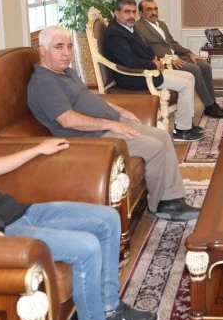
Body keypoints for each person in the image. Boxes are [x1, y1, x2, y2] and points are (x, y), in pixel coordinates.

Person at [0, 64, 158, 320]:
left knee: (107, 219)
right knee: (86, 246)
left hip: (11, 210)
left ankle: (110, 309)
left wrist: (36, 149)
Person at [28, 26, 200, 222]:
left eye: (69, 46)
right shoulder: (44, 82)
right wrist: (110, 124)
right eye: (59, 47)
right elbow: (68, 120)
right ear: (42, 50)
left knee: (162, 137)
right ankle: (160, 205)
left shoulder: (66, 72)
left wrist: (119, 110)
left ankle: (172, 198)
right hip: (92, 137)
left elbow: (88, 97)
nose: (66, 53)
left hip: (109, 124)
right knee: (154, 147)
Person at [104, 0, 203, 142]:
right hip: (134, 76)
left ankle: (185, 123)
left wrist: (155, 59)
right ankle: (182, 131)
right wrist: (153, 65)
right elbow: (130, 61)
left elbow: (145, 48)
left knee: (189, 76)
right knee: (185, 85)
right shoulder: (114, 34)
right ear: (116, 13)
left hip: (146, 70)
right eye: (127, 12)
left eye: (133, 12)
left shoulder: (128, 27)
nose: (131, 15)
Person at [134, 0, 223, 119]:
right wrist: (169, 57)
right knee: (194, 69)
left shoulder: (161, 24)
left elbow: (172, 43)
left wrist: (189, 53)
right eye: (149, 9)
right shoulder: (138, 27)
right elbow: (146, 48)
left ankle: (212, 103)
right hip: (165, 61)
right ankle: (209, 106)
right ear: (141, 13)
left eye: (155, 9)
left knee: (205, 65)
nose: (153, 12)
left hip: (178, 56)